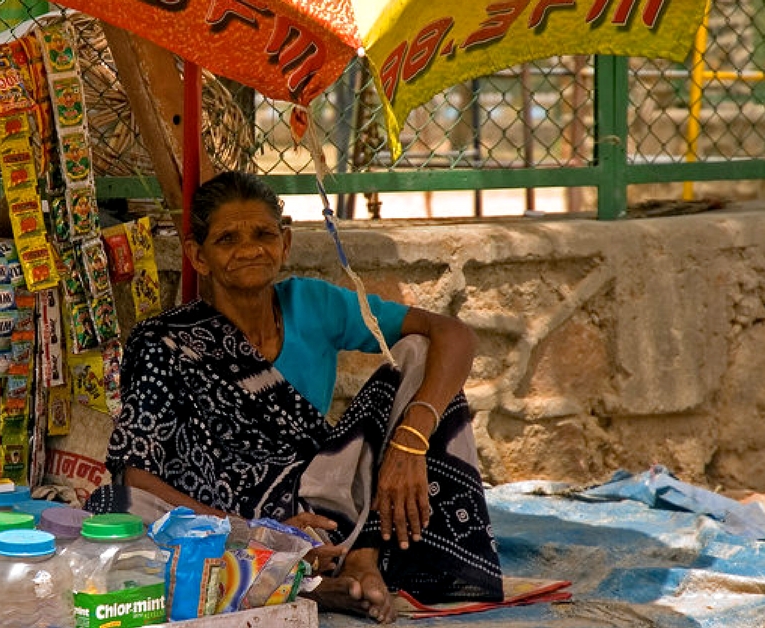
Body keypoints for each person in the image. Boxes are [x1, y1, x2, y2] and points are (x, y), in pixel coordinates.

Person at [87, 171, 503, 622]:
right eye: (227, 239)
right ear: (198, 257)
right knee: (118, 506)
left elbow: (452, 333)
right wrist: (256, 533)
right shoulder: (164, 340)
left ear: (285, 243)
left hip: (322, 498)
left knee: (420, 354)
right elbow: (137, 473)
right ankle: (317, 573)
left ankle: (352, 559)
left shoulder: (312, 303)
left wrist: (410, 443)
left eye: (263, 234)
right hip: (230, 520)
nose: (249, 249)